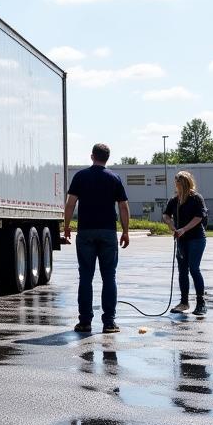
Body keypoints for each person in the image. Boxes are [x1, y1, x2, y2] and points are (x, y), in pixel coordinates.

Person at [64, 143, 130, 334]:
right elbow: (123, 207)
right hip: (108, 232)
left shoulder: (80, 176)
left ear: (92, 156)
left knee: (85, 276)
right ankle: (109, 322)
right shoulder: (114, 178)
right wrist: (125, 231)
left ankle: (84, 322)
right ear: (107, 158)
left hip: (85, 232)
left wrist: (67, 226)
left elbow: (70, 204)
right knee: (109, 276)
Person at [163, 170, 208, 316]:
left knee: (194, 269)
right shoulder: (174, 200)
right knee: (182, 270)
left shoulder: (196, 198)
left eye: (180, 183)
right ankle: (184, 302)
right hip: (181, 240)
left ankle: (201, 302)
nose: (178, 186)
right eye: (177, 184)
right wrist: (171, 225)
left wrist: (184, 229)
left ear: (187, 183)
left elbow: (199, 217)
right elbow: (166, 215)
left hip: (196, 238)